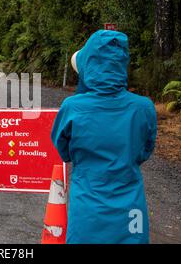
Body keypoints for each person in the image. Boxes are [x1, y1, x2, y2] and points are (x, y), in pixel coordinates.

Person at [51, 30, 157, 244]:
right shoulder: (143, 107)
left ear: (88, 65)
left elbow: (62, 148)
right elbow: (145, 149)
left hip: (87, 204)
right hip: (130, 205)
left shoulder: (73, 107)